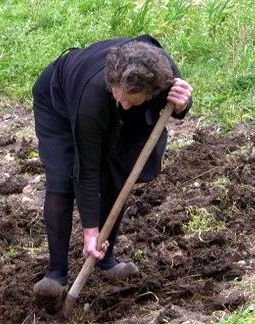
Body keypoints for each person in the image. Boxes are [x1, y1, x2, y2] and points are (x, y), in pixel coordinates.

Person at [31, 34, 193, 300]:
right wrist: (90, 232)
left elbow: (176, 106)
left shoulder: (164, 74)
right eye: (121, 97)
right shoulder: (94, 99)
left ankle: (106, 261)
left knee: (117, 172)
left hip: (116, 98)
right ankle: (56, 274)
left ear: (152, 90)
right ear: (112, 82)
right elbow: (87, 167)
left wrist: (182, 104)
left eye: (133, 99)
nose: (125, 105)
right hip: (59, 100)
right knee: (61, 179)